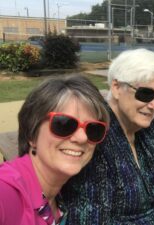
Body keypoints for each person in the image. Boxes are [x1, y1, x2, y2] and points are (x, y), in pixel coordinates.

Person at [63, 49, 154, 225]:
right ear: (116, 88)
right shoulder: (95, 136)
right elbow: (93, 219)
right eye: (145, 94)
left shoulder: (149, 127)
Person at [0, 75, 109, 225]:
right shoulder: (7, 192)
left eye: (93, 129)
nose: (82, 138)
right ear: (32, 133)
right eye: (64, 124)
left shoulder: (62, 196)